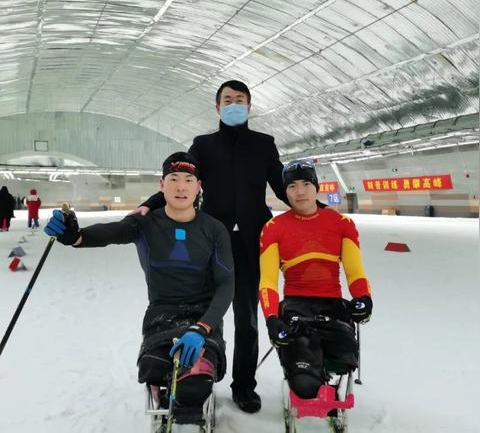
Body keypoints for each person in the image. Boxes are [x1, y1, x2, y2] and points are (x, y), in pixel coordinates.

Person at [44, 152, 234, 426]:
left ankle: (191, 392)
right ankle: (164, 391)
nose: (181, 187)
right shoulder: (144, 224)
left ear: (198, 186)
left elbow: (226, 284)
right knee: (153, 369)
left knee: (194, 387)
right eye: (174, 179)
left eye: (188, 180)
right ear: (162, 185)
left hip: (203, 318)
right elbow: (110, 232)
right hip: (161, 317)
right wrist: (75, 236)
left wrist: (202, 327)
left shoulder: (214, 229)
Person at [133, 80, 289, 413]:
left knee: (246, 318)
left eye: (240, 99)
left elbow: (282, 186)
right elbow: (182, 181)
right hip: (209, 242)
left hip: (251, 243)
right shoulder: (203, 146)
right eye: (227, 100)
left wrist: (316, 208)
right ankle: (194, 373)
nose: (234, 105)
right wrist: (148, 204)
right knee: (201, 312)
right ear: (217, 108)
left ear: (249, 106)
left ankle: (244, 385)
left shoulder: (264, 144)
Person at [258, 159, 373, 401]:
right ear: (285, 191)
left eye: (306, 184)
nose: (300, 192)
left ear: (316, 187)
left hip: (333, 308)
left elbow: (355, 272)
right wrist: (271, 318)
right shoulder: (273, 228)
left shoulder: (342, 224)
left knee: (343, 361)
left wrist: (364, 298)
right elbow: (268, 281)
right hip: (296, 309)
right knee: (304, 384)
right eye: (292, 186)